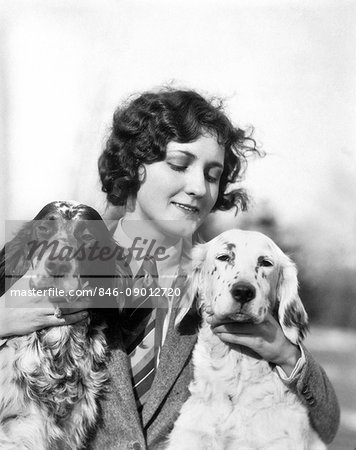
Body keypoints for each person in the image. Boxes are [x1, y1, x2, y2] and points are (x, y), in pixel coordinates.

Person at [0, 88, 340, 450]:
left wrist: (286, 355)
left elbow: (326, 424)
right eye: (180, 165)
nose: (198, 188)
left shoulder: (220, 281)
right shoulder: (50, 248)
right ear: (134, 165)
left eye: (213, 175)